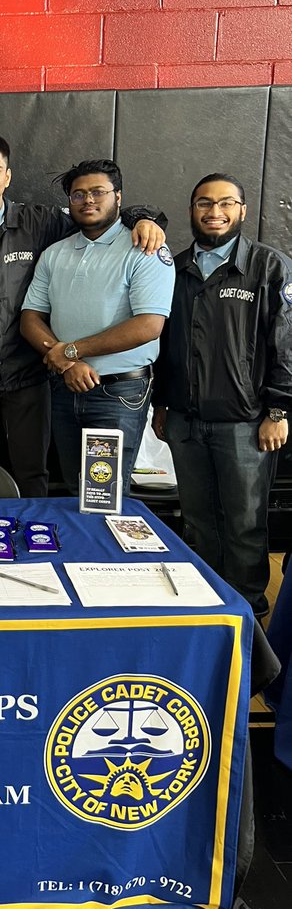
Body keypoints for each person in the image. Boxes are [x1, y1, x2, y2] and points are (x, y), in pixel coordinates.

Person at [0, 136, 165, 496]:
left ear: (8, 176)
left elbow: (96, 217)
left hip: (32, 376)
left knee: (35, 475)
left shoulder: (43, 223)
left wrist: (145, 218)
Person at [152, 174, 292, 618]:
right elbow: (161, 343)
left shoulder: (270, 267)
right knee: (198, 521)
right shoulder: (172, 269)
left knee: (245, 524)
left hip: (246, 423)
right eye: (204, 203)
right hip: (184, 421)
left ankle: (247, 608)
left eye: (226, 203)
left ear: (243, 210)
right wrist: (161, 404)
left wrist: (279, 409)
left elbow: (286, 345)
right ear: (192, 209)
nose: (215, 212)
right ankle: (210, 600)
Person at [20, 158, 175, 497]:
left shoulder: (145, 247)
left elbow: (149, 325)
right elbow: (30, 317)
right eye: (78, 194)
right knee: (76, 490)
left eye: (97, 192)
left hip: (118, 395)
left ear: (118, 197)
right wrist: (67, 362)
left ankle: (104, 553)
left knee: (104, 497)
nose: (88, 200)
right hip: (65, 388)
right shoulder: (54, 254)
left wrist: (74, 351)